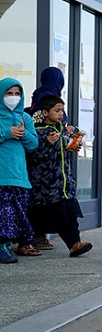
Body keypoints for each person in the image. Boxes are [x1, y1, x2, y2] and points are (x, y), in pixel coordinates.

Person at [26, 95, 93, 257]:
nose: (61, 113)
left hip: (63, 185)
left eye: (62, 110)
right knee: (36, 216)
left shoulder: (61, 130)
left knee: (69, 214)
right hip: (44, 186)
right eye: (57, 110)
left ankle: (75, 244)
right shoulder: (38, 132)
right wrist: (47, 144)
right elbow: (34, 156)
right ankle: (27, 242)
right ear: (45, 112)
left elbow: (69, 147)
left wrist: (73, 139)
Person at [24, 66, 73, 250]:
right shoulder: (47, 96)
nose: (60, 112)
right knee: (47, 199)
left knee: (42, 200)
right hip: (47, 161)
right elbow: (40, 123)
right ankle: (38, 237)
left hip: (50, 157)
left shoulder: (38, 94)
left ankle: (39, 236)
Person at [0, 78, 39, 264]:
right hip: (2, 176)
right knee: (3, 213)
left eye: (17, 94)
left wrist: (23, 134)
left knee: (16, 214)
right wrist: (7, 133)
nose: (13, 97)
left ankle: (11, 244)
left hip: (19, 177)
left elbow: (33, 145)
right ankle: (3, 246)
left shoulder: (25, 118)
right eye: (9, 93)